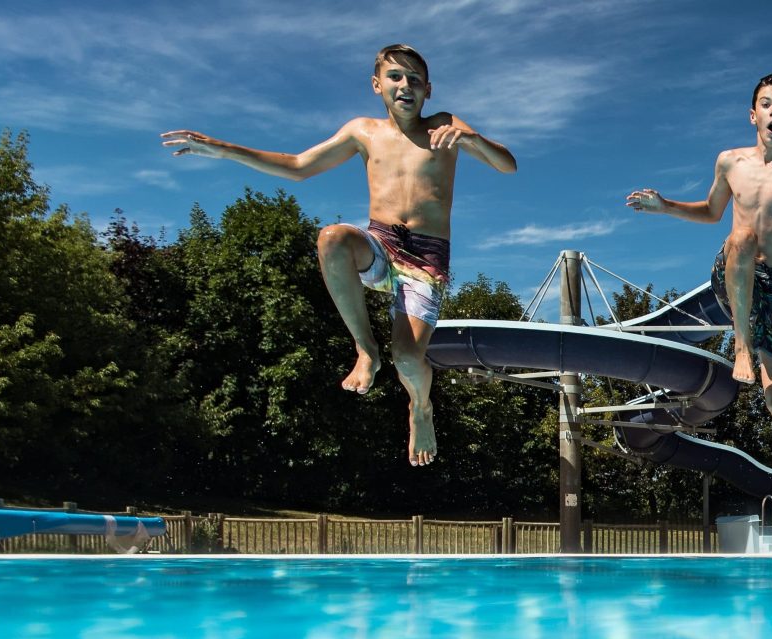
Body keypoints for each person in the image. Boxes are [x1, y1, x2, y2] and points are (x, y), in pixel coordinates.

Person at [161, 44, 517, 466]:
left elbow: (507, 165)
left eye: (415, 80)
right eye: (396, 77)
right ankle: (366, 349)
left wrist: (472, 138)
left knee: (408, 357)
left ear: (429, 90)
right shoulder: (362, 131)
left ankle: (420, 407)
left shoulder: (443, 126)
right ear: (377, 84)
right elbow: (298, 165)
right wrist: (224, 150)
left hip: (425, 260)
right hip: (380, 244)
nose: (405, 86)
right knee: (331, 237)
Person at [625, 74, 772, 466]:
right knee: (741, 236)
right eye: (767, 104)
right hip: (734, 274)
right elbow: (711, 212)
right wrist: (665, 205)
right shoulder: (729, 162)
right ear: (752, 115)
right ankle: (742, 346)